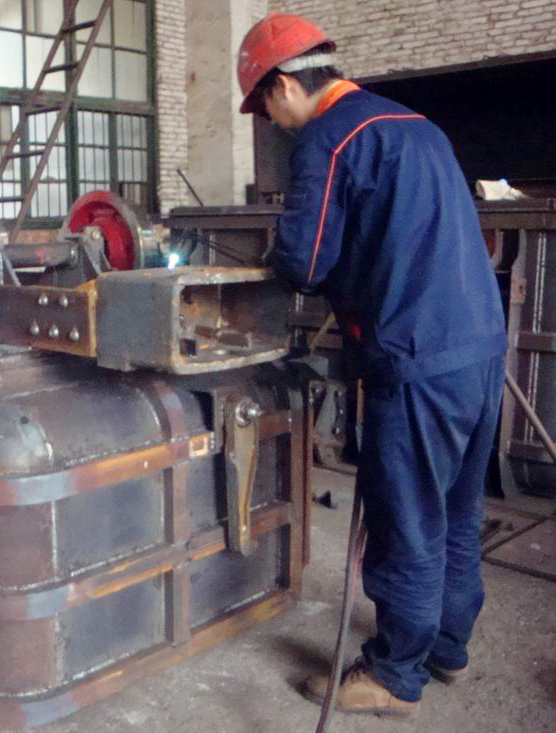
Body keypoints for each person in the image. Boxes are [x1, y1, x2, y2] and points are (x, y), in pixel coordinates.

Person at [236, 14, 507, 718]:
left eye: (264, 107)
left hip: (416, 357)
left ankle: (393, 675)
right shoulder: (417, 125)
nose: (272, 123)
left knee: (407, 518)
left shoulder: (329, 136)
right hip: (480, 347)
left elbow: (304, 261)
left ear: (284, 84)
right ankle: (445, 645)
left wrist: (273, 262)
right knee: (456, 511)